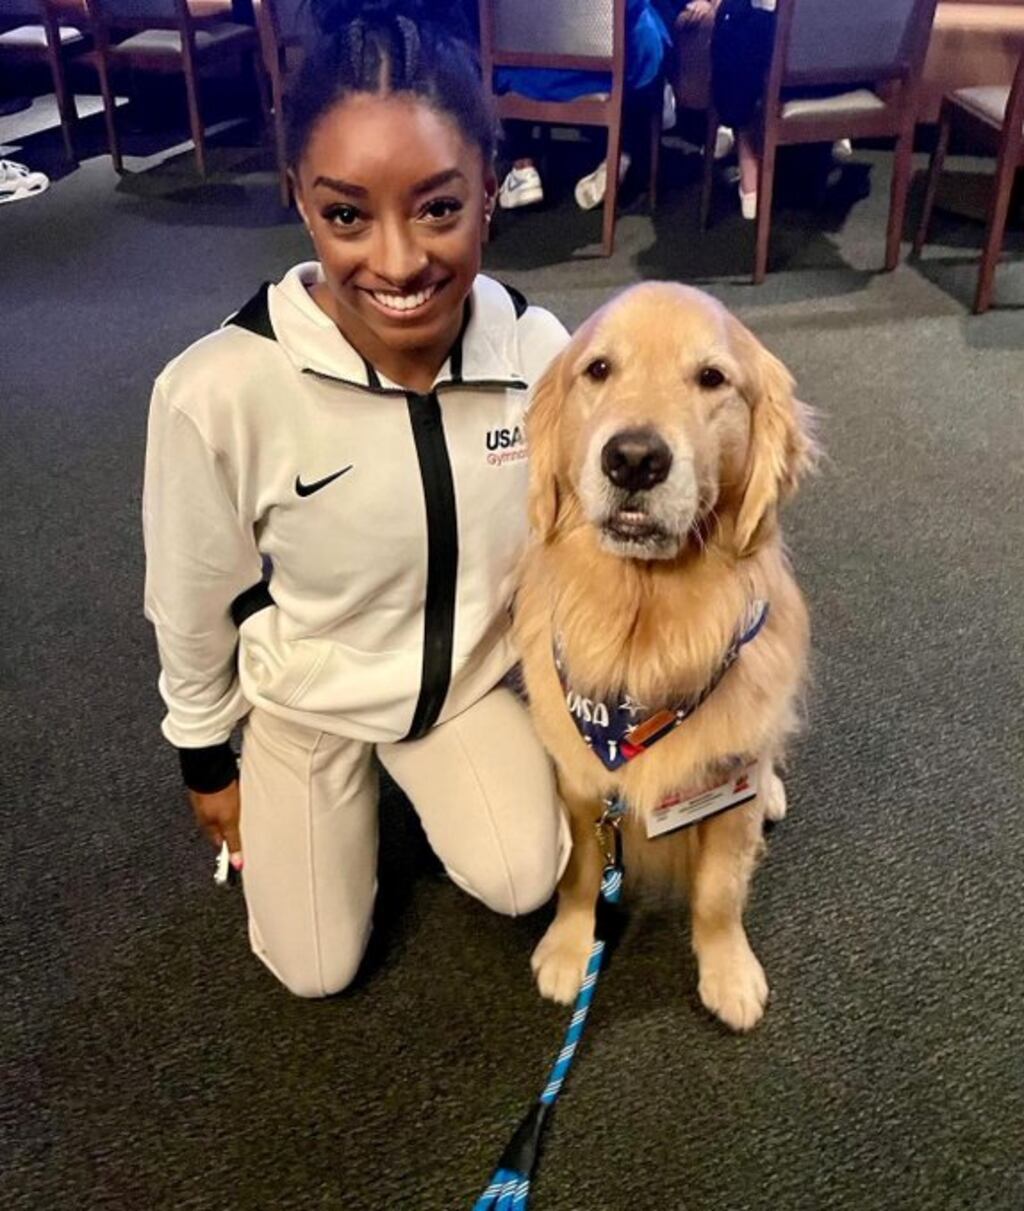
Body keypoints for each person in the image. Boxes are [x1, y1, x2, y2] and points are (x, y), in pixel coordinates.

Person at [142, 0, 571, 999]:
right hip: (309, 700)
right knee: (315, 970)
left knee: (526, 876)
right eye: (347, 214)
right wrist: (204, 757)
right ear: (299, 198)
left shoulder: (536, 354)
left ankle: (422, 781)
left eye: (438, 206)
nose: (397, 262)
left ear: (490, 191)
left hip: (461, 684)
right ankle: (316, 788)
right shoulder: (216, 392)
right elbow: (191, 595)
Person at [494, 0, 671, 211]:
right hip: (602, 79)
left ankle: (522, 165)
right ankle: (621, 154)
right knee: (645, 49)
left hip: (525, 77)